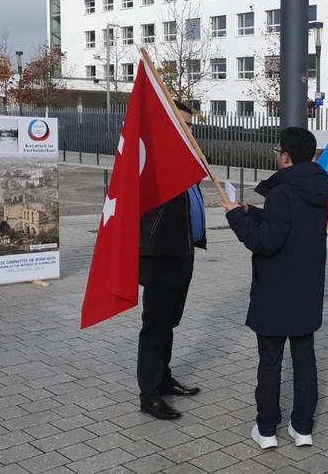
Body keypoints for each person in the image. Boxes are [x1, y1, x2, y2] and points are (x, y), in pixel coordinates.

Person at [225, 128, 328, 449]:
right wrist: (251, 212)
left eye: (277, 151)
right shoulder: (317, 189)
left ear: (285, 156)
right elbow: (289, 223)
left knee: (270, 363)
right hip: (306, 292)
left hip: (275, 291)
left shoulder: (282, 192)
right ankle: (302, 428)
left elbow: (266, 241)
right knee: (304, 360)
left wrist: (236, 219)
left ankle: (267, 429)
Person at [137, 100, 205, 421]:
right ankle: (149, 394)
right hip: (161, 254)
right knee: (155, 324)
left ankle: (163, 378)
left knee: (169, 321)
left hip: (183, 252)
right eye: (184, 125)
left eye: (192, 125)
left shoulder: (184, 159)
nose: (190, 130)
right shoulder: (155, 159)